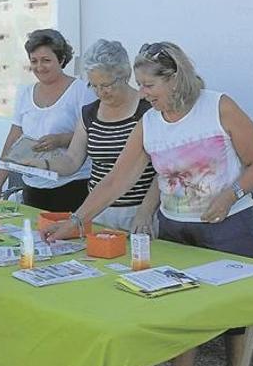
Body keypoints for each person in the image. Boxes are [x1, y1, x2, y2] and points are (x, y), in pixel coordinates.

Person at [44, 41, 253, 366]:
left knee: (237, 320)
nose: (143, 93)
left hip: (230, 228)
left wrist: (231, 194)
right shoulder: (148, 123)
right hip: (175, 229)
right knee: (180, 312)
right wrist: (76, 221)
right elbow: (115, 181)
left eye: (149, 85)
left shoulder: (218, 106)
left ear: (175, 78)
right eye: (140, 84)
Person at [20, 39, 159, 233]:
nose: (100, 92)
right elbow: (72, 160)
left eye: (106, 85)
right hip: (97, 210)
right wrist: (42, 164)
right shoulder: (89, 113)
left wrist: (146, 211)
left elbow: (163, 169)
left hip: (139, 214)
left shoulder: (148, 110)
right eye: (93, 85)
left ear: (125, 75)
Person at [0, 29, 95, 211]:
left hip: (73, 185)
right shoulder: (25, 93)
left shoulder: (82, 90)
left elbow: (95, 134)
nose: (40, 67)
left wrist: (61, 139)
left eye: (46, 60)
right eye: (34, 61)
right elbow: (13, 139)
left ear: (62, 59)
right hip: (32, 185)